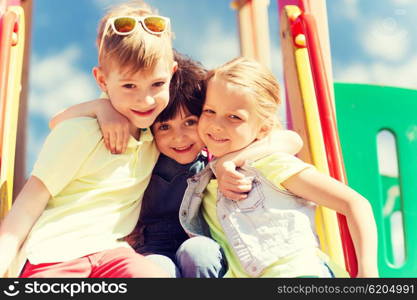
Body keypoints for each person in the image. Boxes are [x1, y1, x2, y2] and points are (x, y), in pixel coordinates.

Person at [49, 51, 304, 278]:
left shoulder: (214, 156)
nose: (179, 137)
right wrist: (100, 107)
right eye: (165, 126)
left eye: (190, 122)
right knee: (159, 268)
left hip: (202, 241)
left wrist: (230, 162)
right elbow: (57, 122)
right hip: (151, 248)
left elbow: (291, 140)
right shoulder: (143, 152)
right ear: (151, 128)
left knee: (198, 252)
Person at [0, 1, 177, 278]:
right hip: (54, 255)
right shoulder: (80, 133)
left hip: (111, 254)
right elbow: (25, 208)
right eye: (129, 86)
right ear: (102, 81)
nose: (146, 99)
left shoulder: (159, 138)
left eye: (157, 84)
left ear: (172, 76)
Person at [180, 57, 379, 278]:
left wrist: (367, 270)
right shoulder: (202, 179)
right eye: (209, 111)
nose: (217, 125)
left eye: (234, 117)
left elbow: (355, 203)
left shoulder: (271, 164)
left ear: (263, 129)